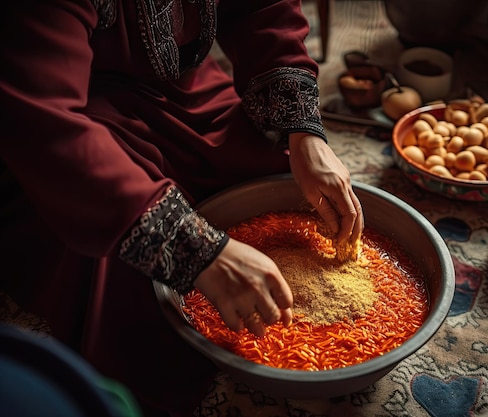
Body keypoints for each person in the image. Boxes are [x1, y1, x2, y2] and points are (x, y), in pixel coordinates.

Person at [0, 1, 364, 416]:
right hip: (68, 111)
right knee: (127, 280)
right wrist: (197, 251)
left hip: (179, 84)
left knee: (272, 182)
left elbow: (263, 9)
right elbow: (41, 121)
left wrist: (305, 134)